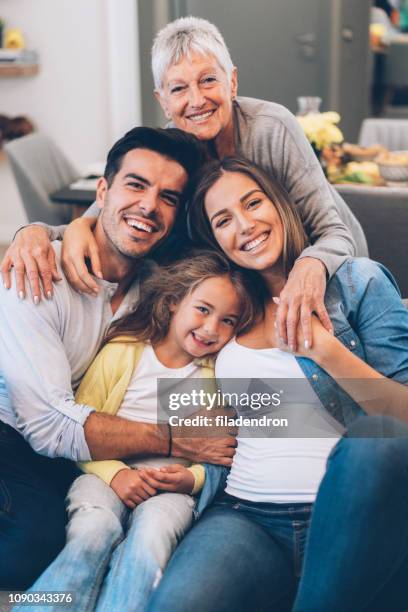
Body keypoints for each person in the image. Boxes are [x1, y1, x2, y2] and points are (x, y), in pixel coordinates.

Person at [1, 16, 368, 353]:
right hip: (251, 285)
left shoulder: (272, 127)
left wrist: (309, 268)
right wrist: (35, 232)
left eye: (209, 80)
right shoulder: (170, 152)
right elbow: (108, 223)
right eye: (179, 88)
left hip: (328, 264)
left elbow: (334, 231)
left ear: (233, 81)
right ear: (163, 101)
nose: (197, 100)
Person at [147, 157, 408, 612]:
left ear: (282, 204)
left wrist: (325, 351)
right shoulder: (227, 300)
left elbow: (402, 418)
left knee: (377, 440)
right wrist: (46, 232)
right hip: (249, 516)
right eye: (224, 220)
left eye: (253, 203)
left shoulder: (358, 281)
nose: (244, 225)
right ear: (214, 239)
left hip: (350, 514)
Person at [0, 127, 237, 590]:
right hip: (12, 426)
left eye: (168, 197)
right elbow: (48, 425)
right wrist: (176, 440)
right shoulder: (38, 274)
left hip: (65, 439)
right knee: (29, 557)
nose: (150, 205)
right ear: (102, 191)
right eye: (135, 185)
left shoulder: (160, 288)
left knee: (73, 535)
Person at [20, 251, 259, 612]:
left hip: (171, 489)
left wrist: (189, 480)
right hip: (103, 473)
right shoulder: (123, 353)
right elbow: (79, 430)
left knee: (151, 540)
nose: (211, 329)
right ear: (174, 303)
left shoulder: (216, 377)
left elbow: (219, 453)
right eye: (203, 310)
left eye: (228, 320)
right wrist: (116, 475)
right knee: (93, 531)